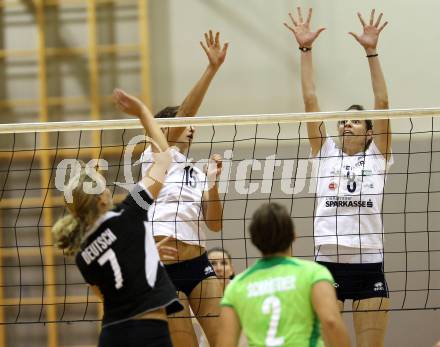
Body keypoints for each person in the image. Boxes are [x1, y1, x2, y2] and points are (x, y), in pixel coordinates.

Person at [284, 7, 392, 347]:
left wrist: (371, 51)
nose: (346, 123)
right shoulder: (325, 152)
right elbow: (310, 99)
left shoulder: (377, 156)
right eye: (343, 120)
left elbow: (383, 101)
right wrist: (305, 50)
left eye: (356, 121)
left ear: (371, 133)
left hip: (368, 262)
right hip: (326, 264)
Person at [52, 89, 182, 347]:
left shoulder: (81, 251)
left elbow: (105, 293)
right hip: (149, 331)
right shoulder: (128, 214)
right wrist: (143, 113)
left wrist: (143, 253)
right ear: (100, 200)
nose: (110, 189)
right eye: (104, 186)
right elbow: (164, 159)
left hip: (112, 335)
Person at [140, 30, 228, 347]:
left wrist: (214, 183)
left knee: (224, 341)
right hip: (163, 268)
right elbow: (186, 113)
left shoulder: (197, 169)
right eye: (183, 123)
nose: (191, 128)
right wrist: (212, 68)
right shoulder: (154, 155)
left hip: (197, 262)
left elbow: (215, 224)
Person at [217, 203, 351, 347]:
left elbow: (225, 343)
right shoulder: (313, 273)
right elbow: (331, 322)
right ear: (294, 235)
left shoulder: (237, 285)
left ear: (254, 240)